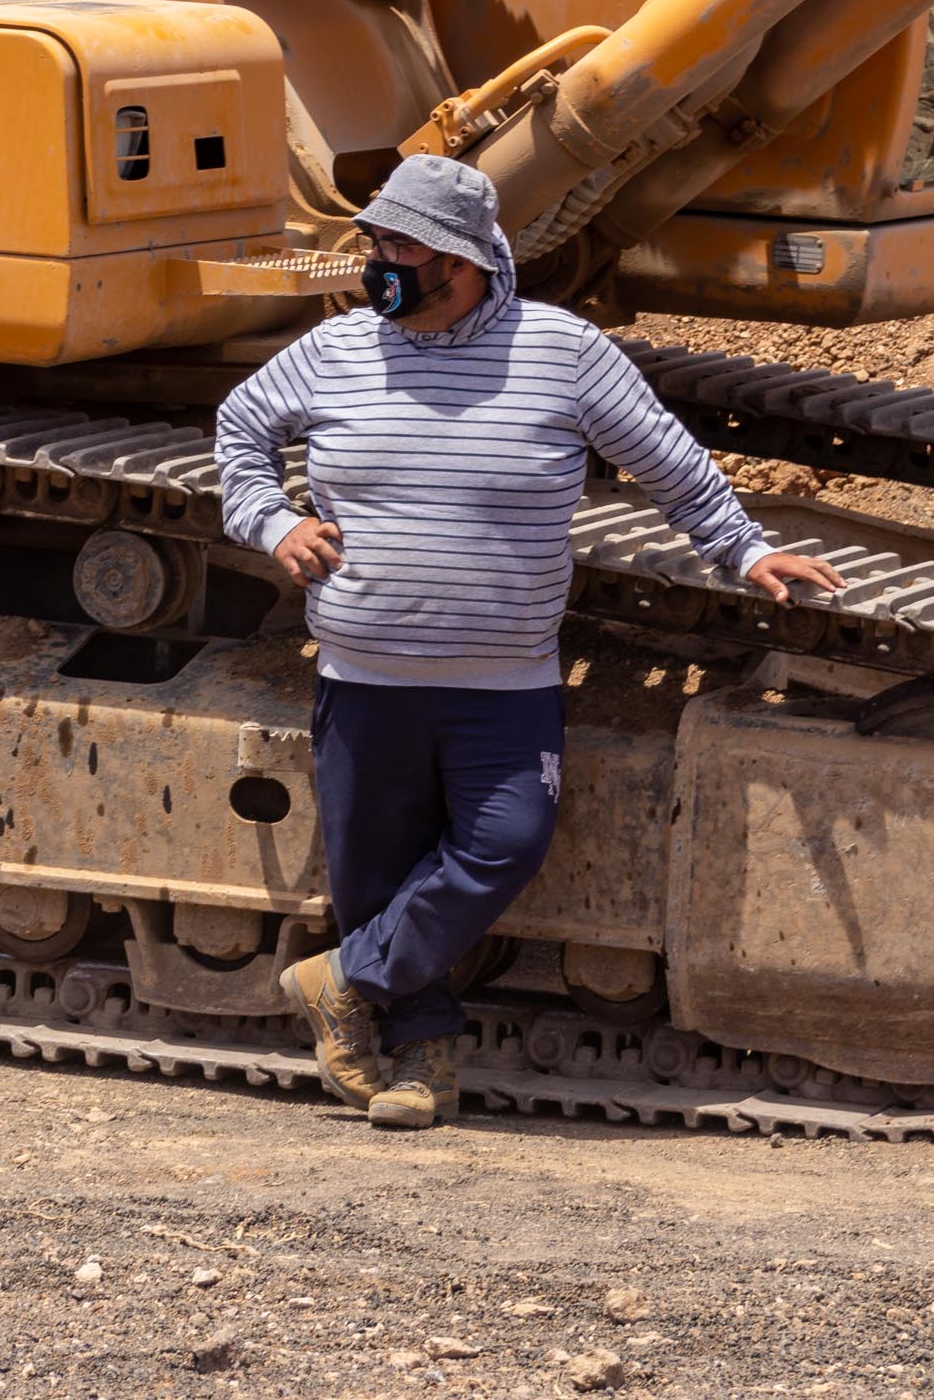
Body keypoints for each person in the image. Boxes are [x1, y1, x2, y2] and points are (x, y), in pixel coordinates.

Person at [214, 154, 845, 1131]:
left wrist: (744, 547)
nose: (379, 264)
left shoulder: (561, 351)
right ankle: (421, 1067)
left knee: (505, 842)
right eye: (375, 242)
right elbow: (239, 430)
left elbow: (666, 461)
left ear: (464, 259)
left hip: (503, 685)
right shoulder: (335, 349)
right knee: (377, 879)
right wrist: (274, 521)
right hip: (365, 676)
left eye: (402, 248)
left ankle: (342, 979)